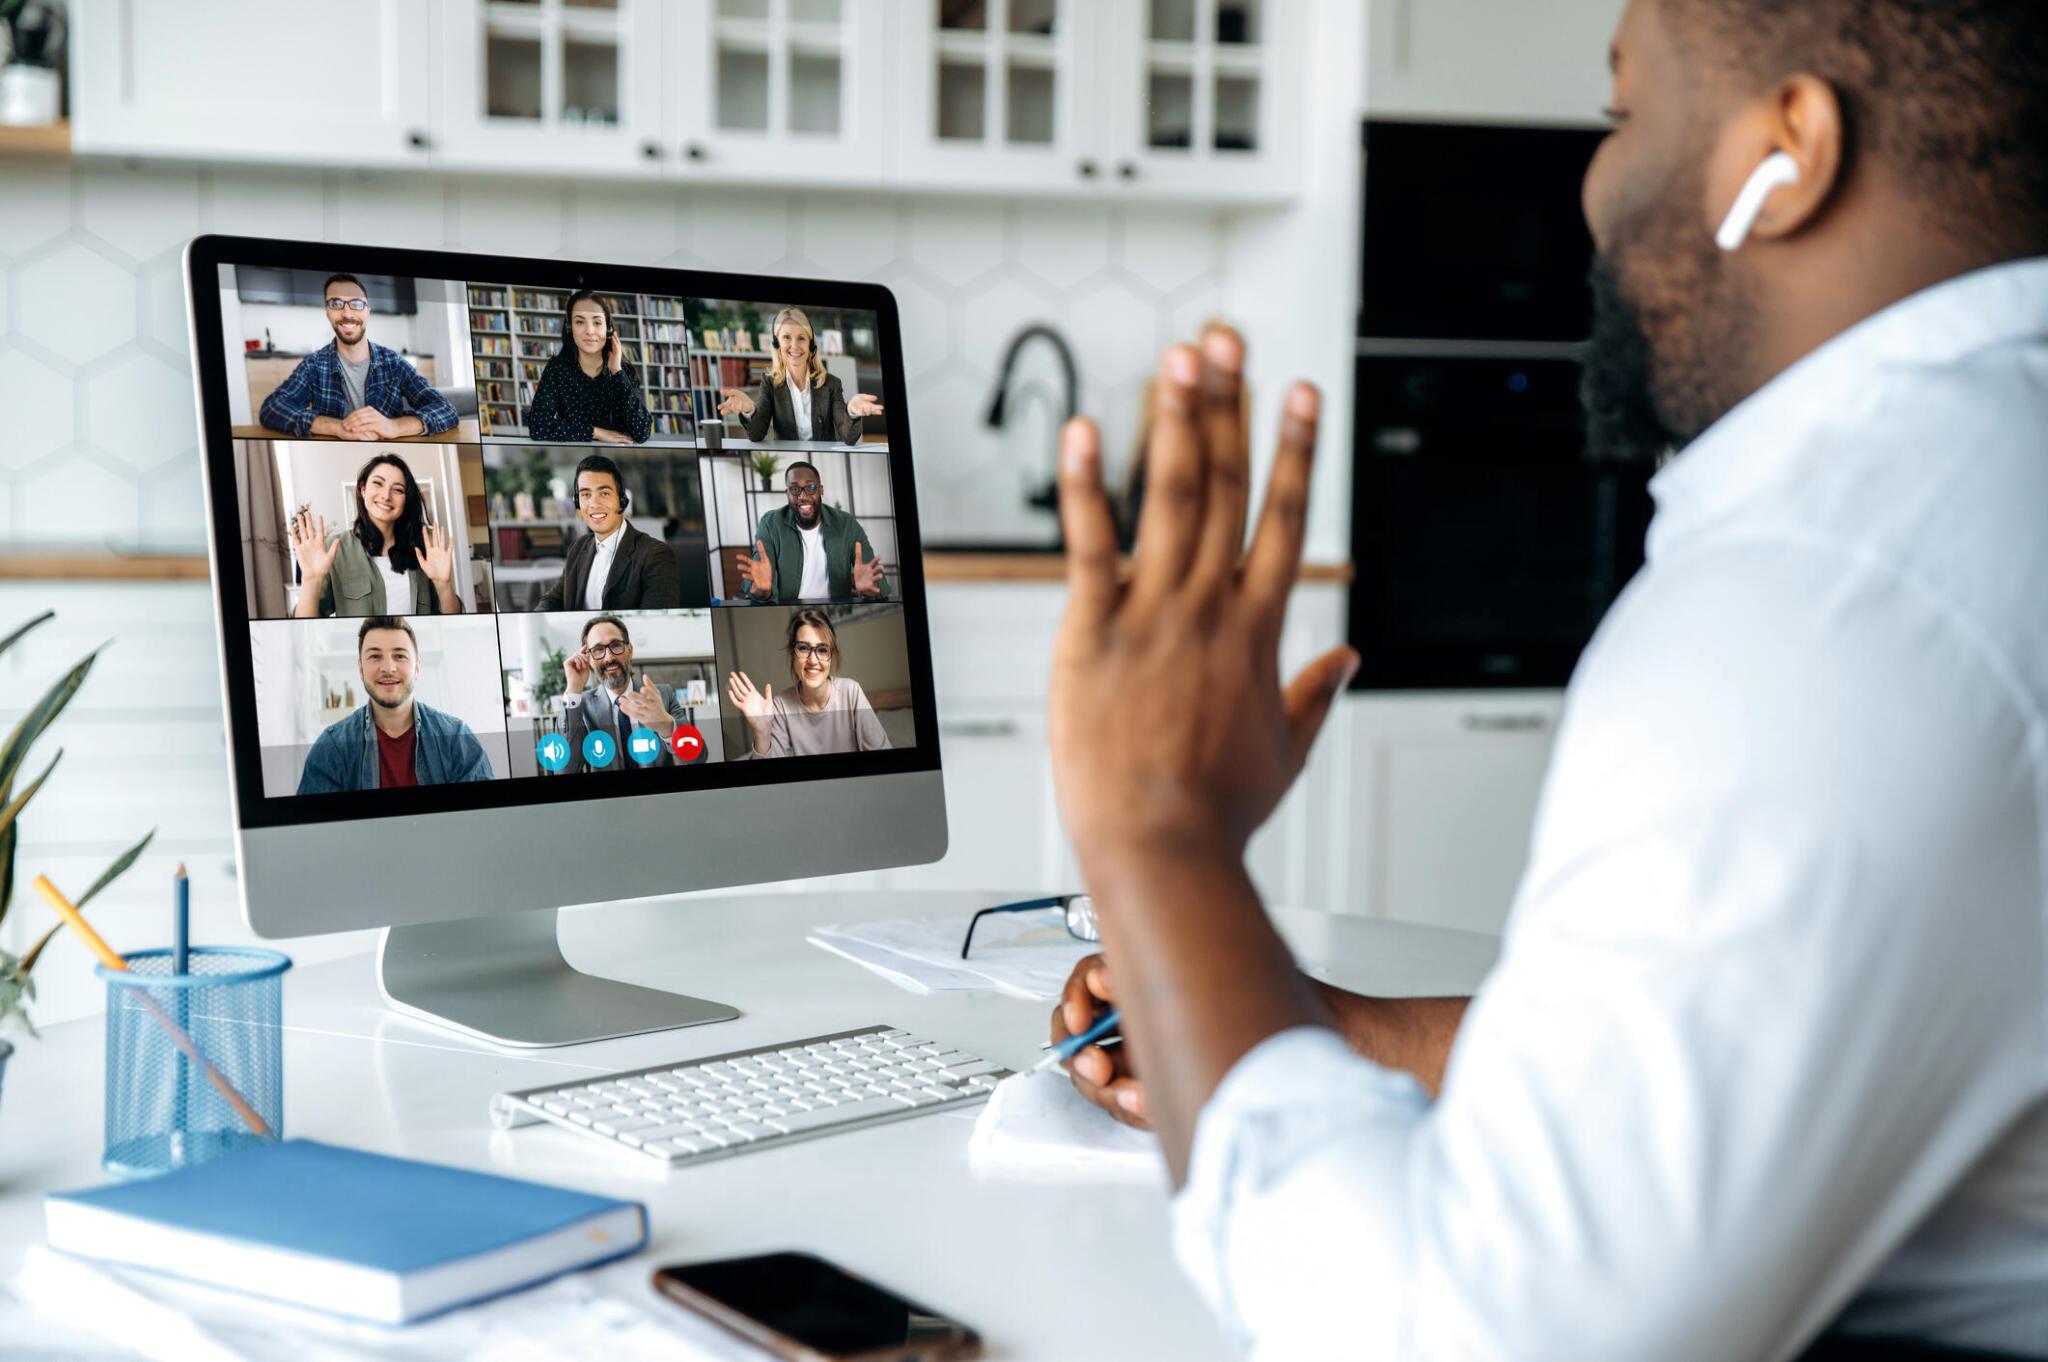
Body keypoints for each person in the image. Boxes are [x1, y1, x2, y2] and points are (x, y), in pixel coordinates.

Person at [1043, 1, 2048, 1357]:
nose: (1592, 189)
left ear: (1789, 150)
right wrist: (1295, 1019)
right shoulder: (1985, 469)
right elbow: (1712, 1043)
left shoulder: (1824, 600)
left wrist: (1157, 831)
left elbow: (1469, 1332)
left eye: (1624, 116)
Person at [296, 617, 494, 793]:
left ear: (416, 668)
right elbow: (316, 830)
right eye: (375, 656)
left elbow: (484, 820)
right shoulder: (332, 747)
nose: (388, 668)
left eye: (399, 656)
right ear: (360, 669)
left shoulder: (457, 738)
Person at [259, 274, 459, 440]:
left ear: (367, 312)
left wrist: (395, 427)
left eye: (356, 304)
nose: (347, 313)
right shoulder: (314, 365)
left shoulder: (394, 363)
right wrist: (338, 428)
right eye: (336, 304)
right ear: (328, 312)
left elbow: (446, 409)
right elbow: (271, 409)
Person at [288, 452, 464, 617]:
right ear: (363, 489)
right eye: (378, 483)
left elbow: (453, 620)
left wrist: (443, 585)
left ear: (406, 499)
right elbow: (305, 628)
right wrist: (311, 580)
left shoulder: (424, 550)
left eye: (398, 490)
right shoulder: (335, 549)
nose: (386, 496)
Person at [726, 609, 890, 758]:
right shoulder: (780, 706)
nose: (813, 660)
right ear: (792, 654)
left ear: (831, 655)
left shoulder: (851, 692)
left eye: (822, 650)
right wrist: (762, 733)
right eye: (804, 648)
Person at [534, 454, 682, 611]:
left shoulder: (656, 555)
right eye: (586, 494)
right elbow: (553, 599)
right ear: (578, 502)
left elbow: (658, 623)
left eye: (604, 493)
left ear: (621, 499)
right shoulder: (578, 548)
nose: (594, 504)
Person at [715, 307, 882, 444]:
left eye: (801, 338)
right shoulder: (770, 383)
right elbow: (757, 434)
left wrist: (852, 411)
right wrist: (749, 410)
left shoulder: (831, 383)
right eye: (786, 337)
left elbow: (848, 436)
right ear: (776, 344)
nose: (794, 346)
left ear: (810, 345)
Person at [734, 461, 887, 603]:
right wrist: (763, 591)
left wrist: (869, 591)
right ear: (787, 493)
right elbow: (757, 584)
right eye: (794, 489)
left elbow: (879, 586)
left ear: (821, 490)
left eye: (811, 487)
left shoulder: (847, 524)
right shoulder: (770, 524)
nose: (802, 496)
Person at [559, 614, 696, 771]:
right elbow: (565, 769)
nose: (609, 658)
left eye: (616, 645)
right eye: (598, 650)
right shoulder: (580, 707)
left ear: (630, 650)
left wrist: (667, 728)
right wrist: (573, 690)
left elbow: (698, 758)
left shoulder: (663, 695)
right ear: (588, 659)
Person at [524, 290, 652, 445]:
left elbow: (642, 432)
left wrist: (617, 372)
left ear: (609, 329)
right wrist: (596, 433)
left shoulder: (621, 371)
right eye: (580, 322)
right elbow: (538, 427)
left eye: (597, 322)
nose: (590, 331)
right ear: (570, 328)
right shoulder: (557, 369)